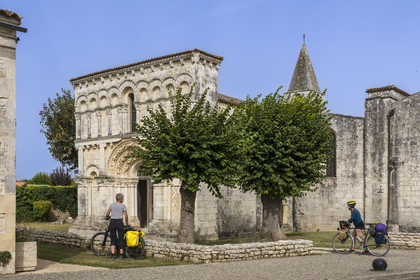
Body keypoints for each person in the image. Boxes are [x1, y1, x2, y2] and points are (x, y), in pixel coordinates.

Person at [105, 193, 130, 260]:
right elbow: (126, 216)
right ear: (121, 199)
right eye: (123, 198)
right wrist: (127, 223)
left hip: (112, 222)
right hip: (119, 222)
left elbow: (107, 213)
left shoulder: (112, 205)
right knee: (121, 238)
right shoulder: (123, 206)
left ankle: (113, 255)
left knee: (113, 239)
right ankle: (121, 255)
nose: (123, 199)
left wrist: (107, 217)